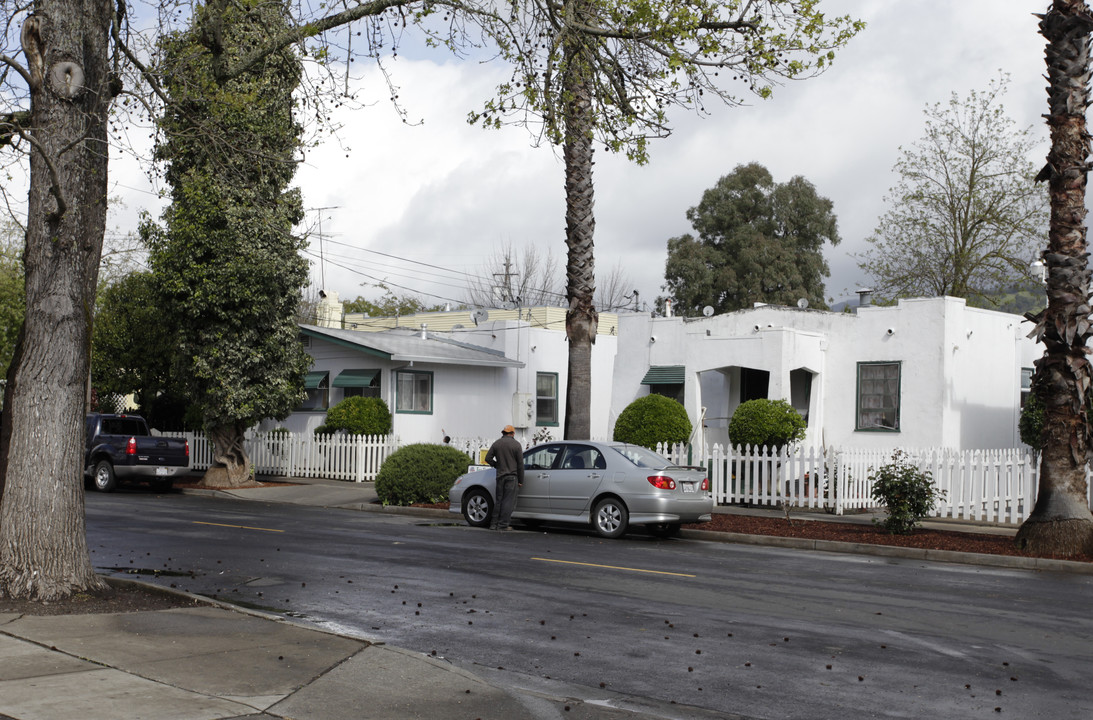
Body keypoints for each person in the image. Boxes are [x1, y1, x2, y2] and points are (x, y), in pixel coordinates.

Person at [484, 424, 524, 530]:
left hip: (500, 476)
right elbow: (520, 464)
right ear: (512, 433)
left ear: (503, 433)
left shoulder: (497, 444)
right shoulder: (516, 445)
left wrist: (496, 465)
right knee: (508, 501)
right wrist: (521, 480)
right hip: (512, 476)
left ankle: (493, 524)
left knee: (499, 500)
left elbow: (488, 458)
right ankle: (503, 525)